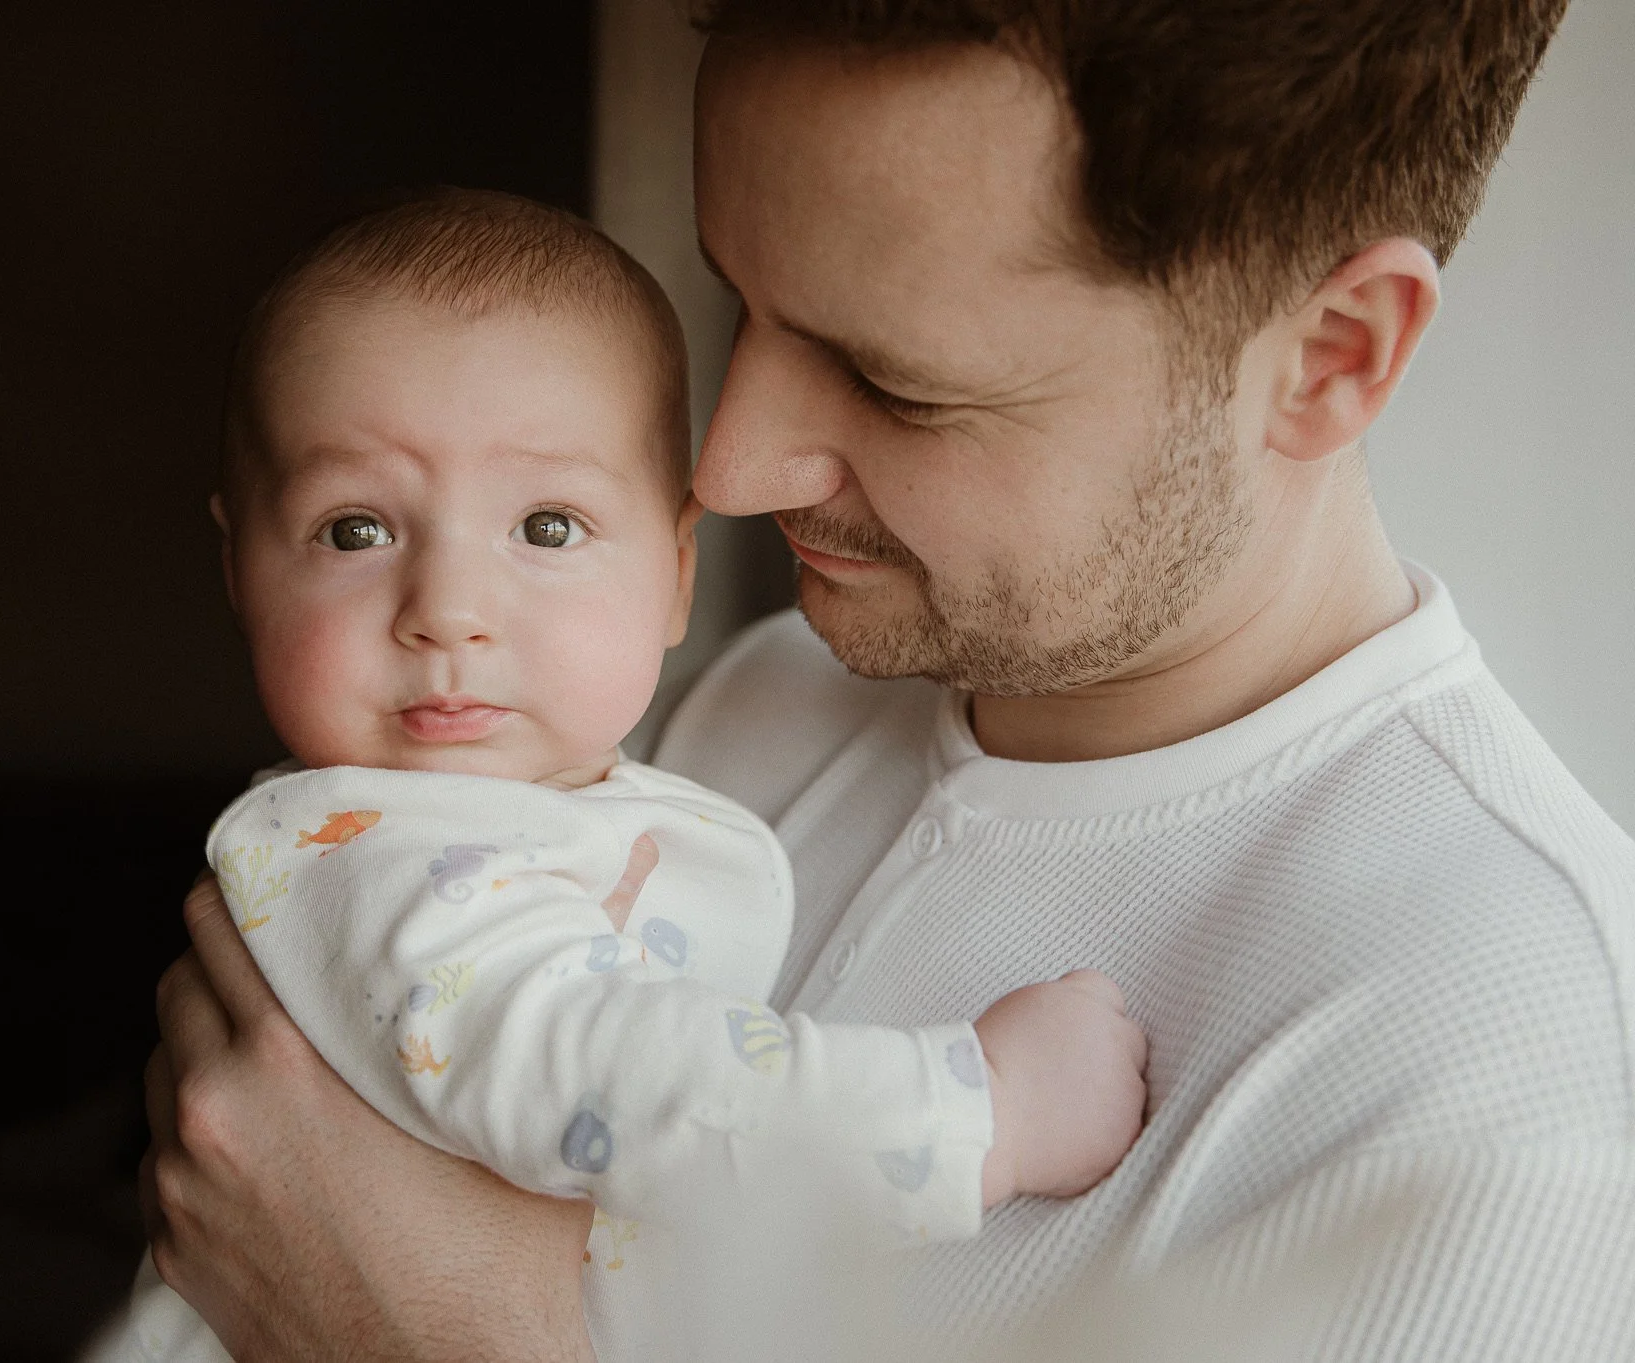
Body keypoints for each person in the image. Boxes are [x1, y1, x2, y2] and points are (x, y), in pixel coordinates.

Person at [137, 4, 1635, 1360]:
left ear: (1330, 357)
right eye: (743, 306)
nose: (728, 467)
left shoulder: (1516, 1097)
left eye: (895, 380)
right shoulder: (756, 701)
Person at [91, 190, 1147, 1363]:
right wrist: (972, 1115)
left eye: (544, 527)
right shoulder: (387, 866)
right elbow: (630, 1086)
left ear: (676, 575)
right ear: (240, 569)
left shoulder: (575, 790)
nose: (446, 609)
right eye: (355, 529)